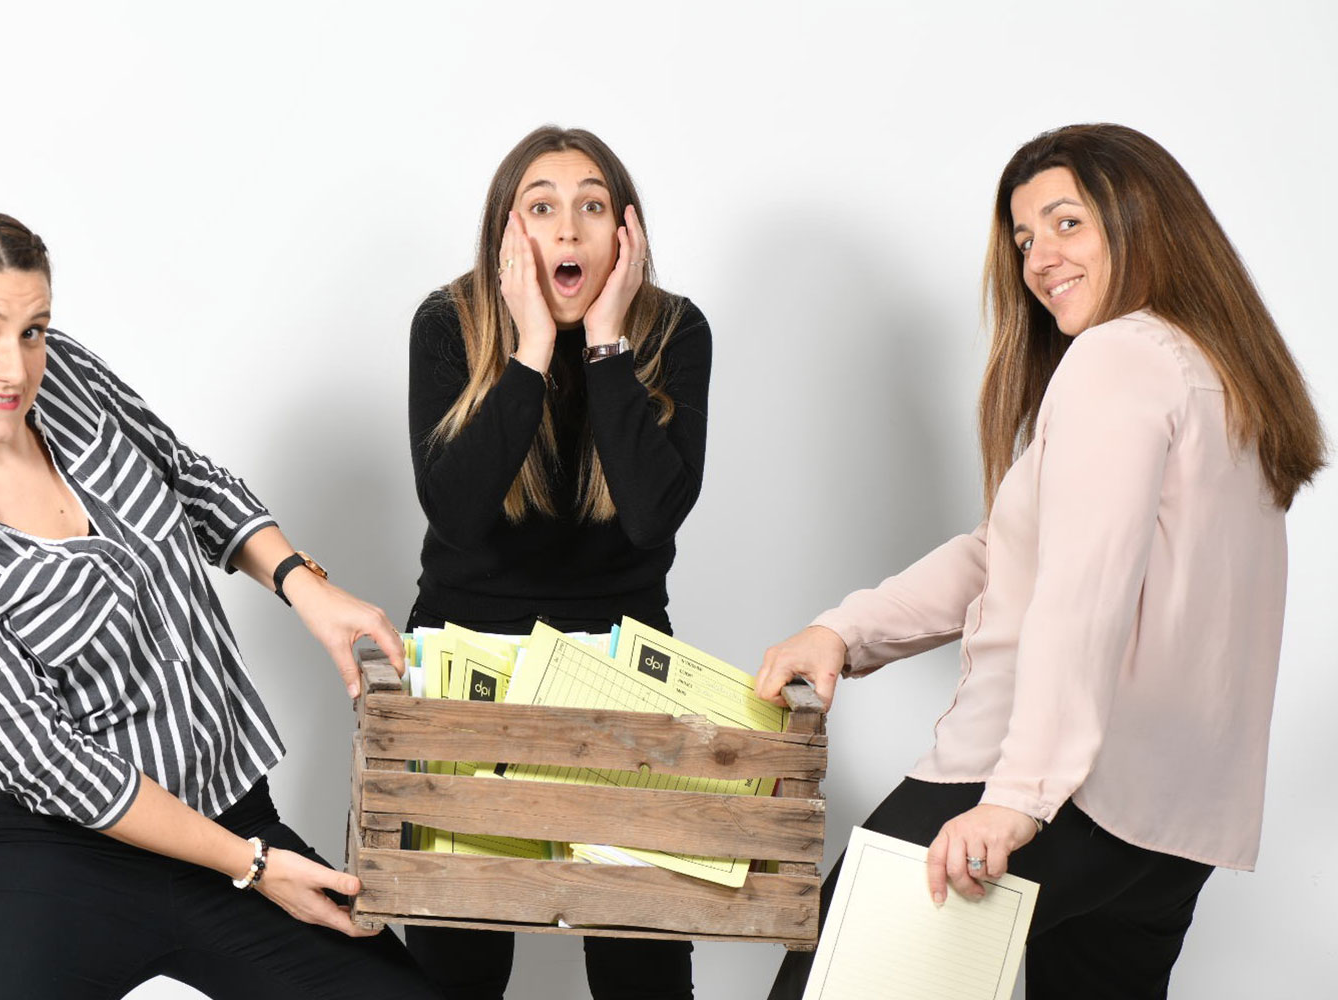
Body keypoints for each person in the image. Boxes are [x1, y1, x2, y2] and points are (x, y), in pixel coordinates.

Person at [756, 123, 1325, 999]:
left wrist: (1018, 797)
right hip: (1173, 833)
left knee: (824, 986)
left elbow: (1079, 598)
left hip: (1048, 793)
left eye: (1067, 223)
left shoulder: (1119, 357)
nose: (1039, 260)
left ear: (1143, 220)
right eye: (1024, 239)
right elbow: (1007, 557)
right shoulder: (1228, 378)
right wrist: (847, 630)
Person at [0, 203, 443, 1000]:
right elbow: (46, 760)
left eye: (32, 330)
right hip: (61, 858)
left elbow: (185, 476)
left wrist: (303, 583)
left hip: (228, 813)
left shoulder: (63, 378)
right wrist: (254, 868)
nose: (14, 368)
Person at [405, 126, 711, 1000]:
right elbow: (457, 515)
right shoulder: (448, 323)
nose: (568, 229)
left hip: (619, 665)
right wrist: (531, 353)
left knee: (642, 966)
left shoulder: (675, 331)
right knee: (456, 966)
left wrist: (607, 344)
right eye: (541, 207)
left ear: (626, 233)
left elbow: (651, 519)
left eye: (591, 206)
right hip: (471, 661)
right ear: (506, 233)